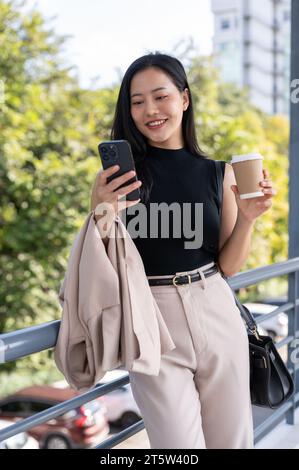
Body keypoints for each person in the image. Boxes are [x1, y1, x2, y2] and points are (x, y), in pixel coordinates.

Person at [90, 52, 276, 449]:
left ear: (184, 99)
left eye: (160, 97)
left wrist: (247, 218)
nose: (150, 110)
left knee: (232, 441)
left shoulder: (217, 172)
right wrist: (100, 210)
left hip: (214, 306)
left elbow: (229, 265)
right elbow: (100, 261)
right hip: (150, 317)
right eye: (137, 102)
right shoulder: (117, 178)